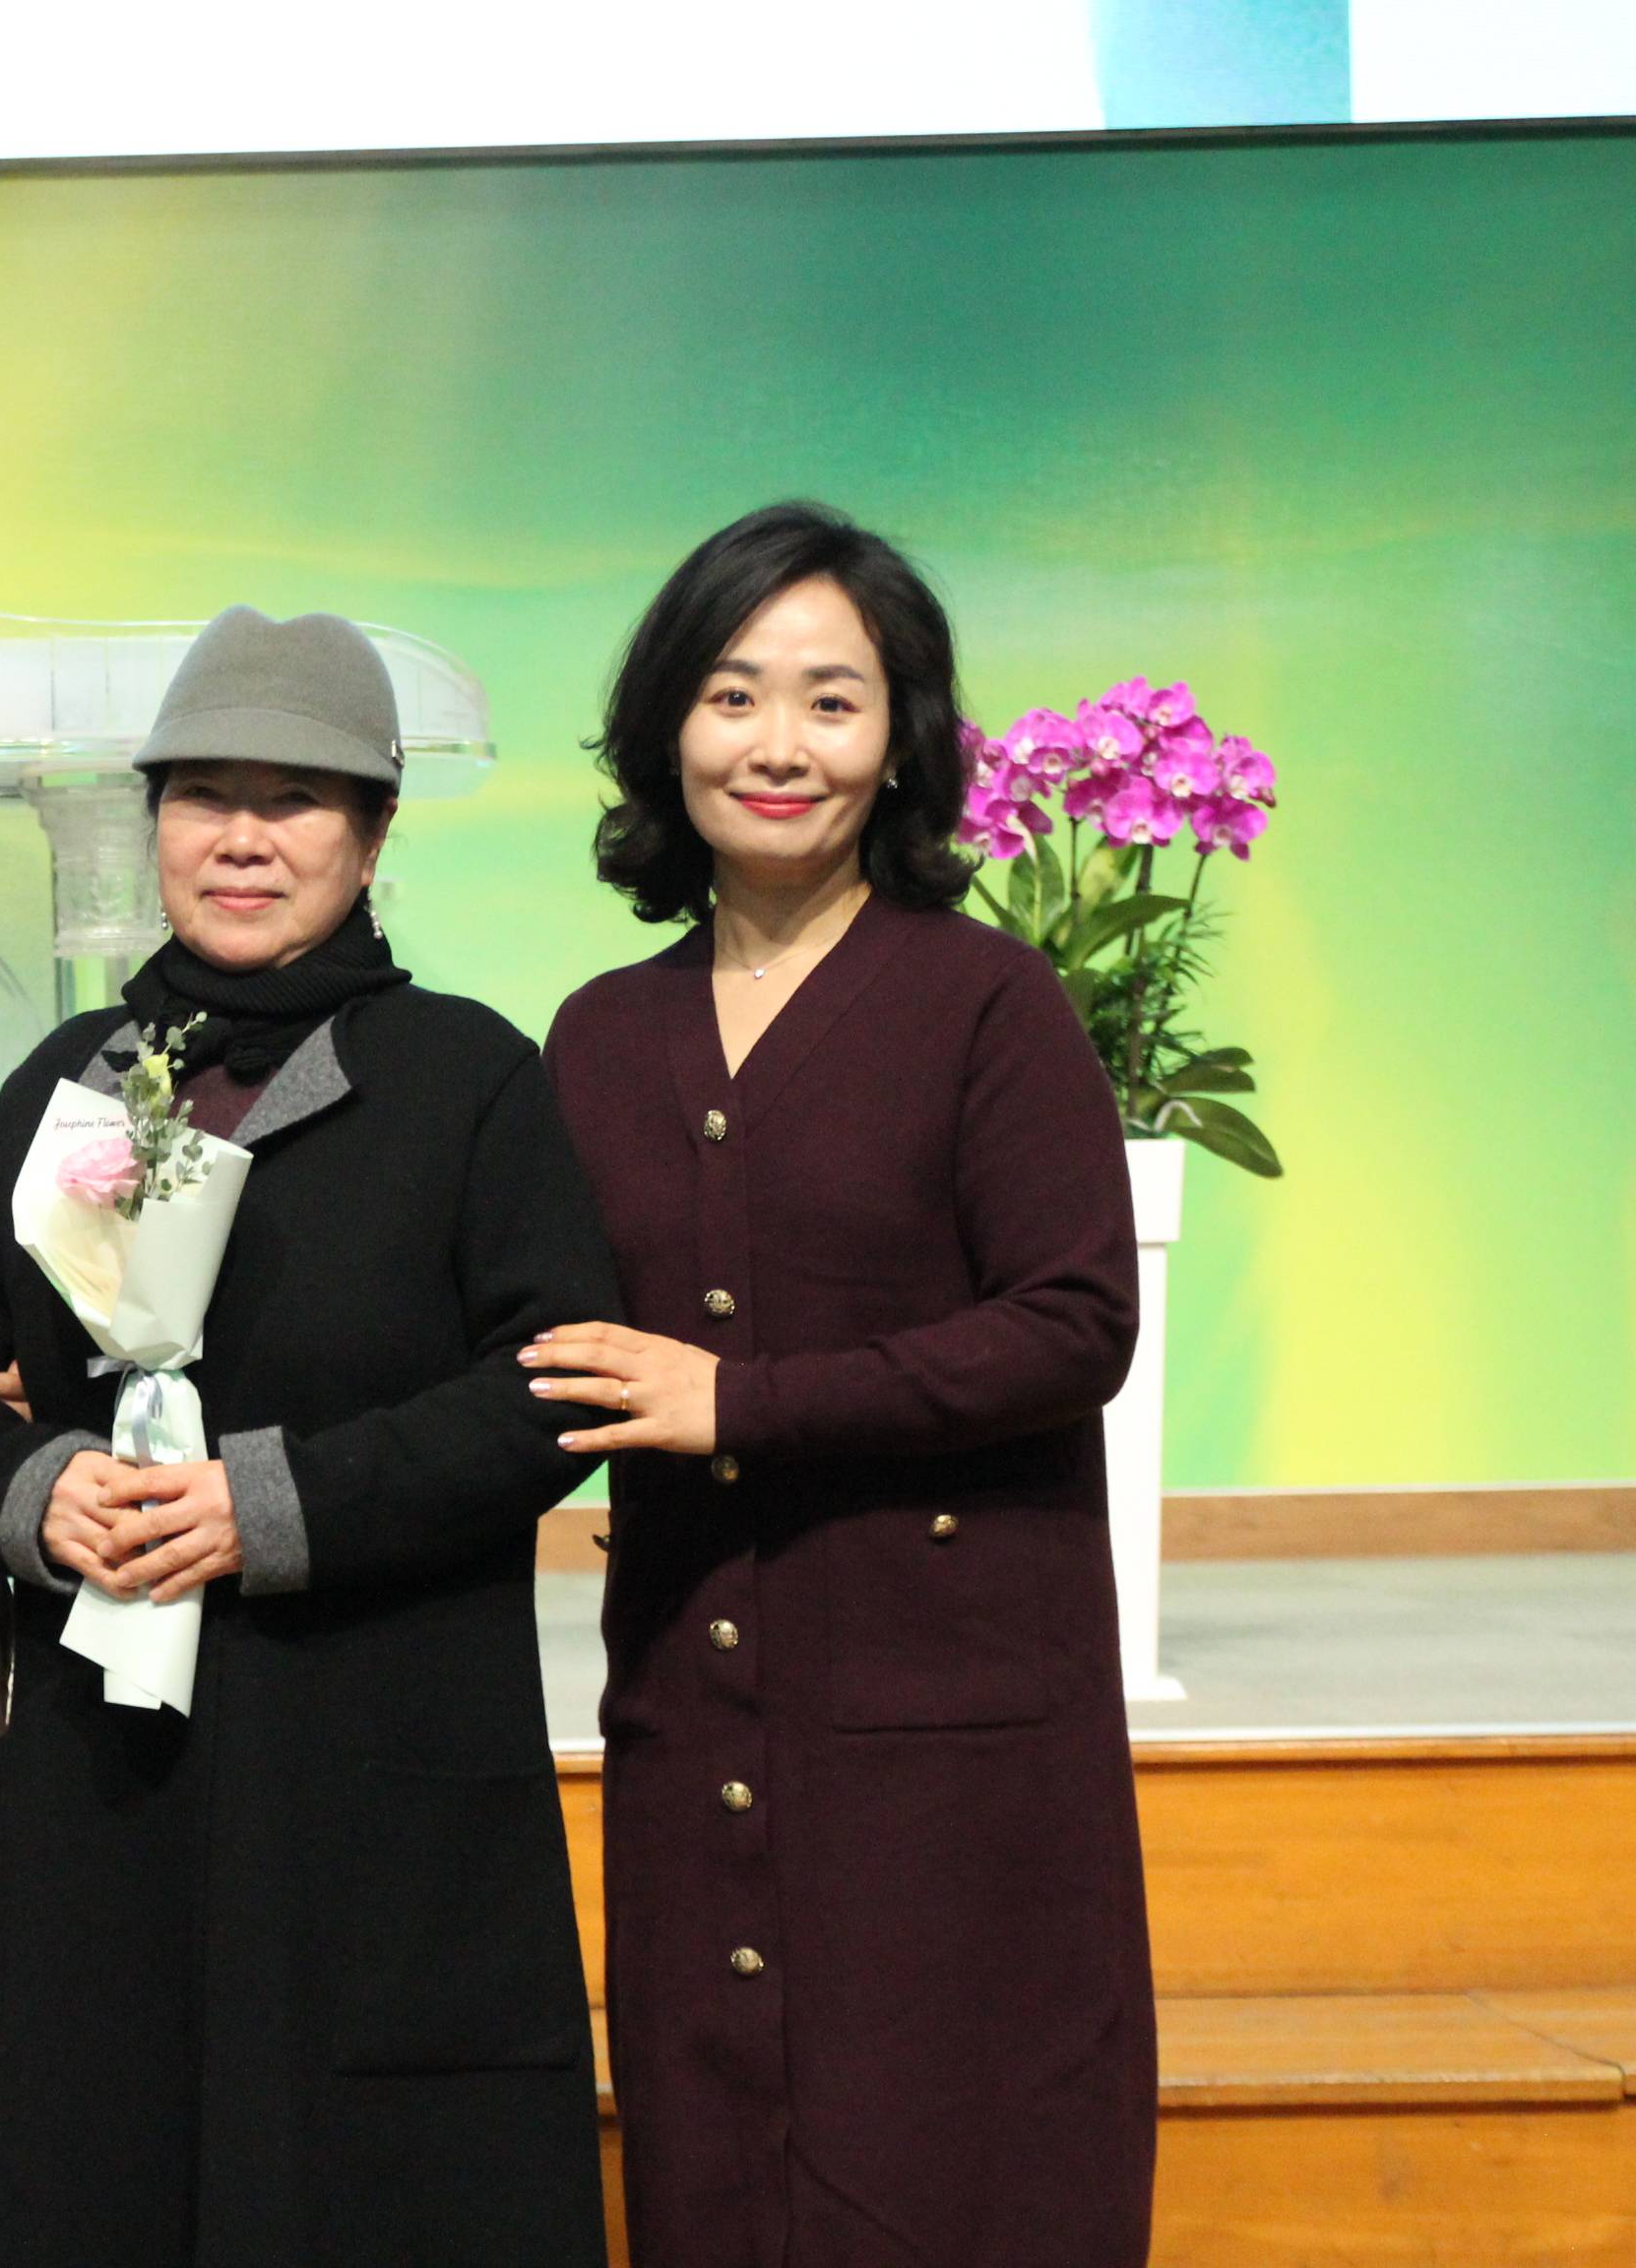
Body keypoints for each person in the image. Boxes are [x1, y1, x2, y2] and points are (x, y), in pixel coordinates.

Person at [0, 606, 623, 2268]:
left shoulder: (468, 1078)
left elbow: (552, 1390)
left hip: (373, 1760)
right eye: (203, 796)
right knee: (117, 2174)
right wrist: (34, 1491)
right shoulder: (73, 1080)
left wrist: (275, 1504)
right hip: (112, 1778)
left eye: (294, 799)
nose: (242, 838)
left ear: (373, 833)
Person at [535, 501, 1156, 2266]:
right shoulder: (601, 1032)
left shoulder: (988, 1004)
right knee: (714, 2181)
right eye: (734, 695)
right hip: (695, 1721)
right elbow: (529, 1341)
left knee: (953, 2180)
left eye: (833, 700)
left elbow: (1075, 1323)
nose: (779, 745)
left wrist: (743, 1403)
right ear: (669, 728)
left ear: (900, 742)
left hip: (948, 1749)